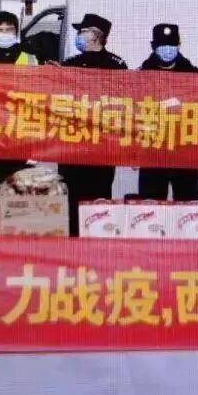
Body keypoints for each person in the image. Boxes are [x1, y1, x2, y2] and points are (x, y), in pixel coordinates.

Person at [59, 13, 128, 235]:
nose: (78, 36)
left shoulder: (116, 66)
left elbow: (124, 104)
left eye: (82, 32)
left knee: (99, 201)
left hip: (102, 147)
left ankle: (97, 241)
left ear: (95, 35)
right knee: (72, 201)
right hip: (72, 147)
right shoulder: (70, 65)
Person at [138, 23, 198, 201]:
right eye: (162, 45)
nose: (168, 49)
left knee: (187, 203)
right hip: (152, 152)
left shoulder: (194, 76)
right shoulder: (140, 77)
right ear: (153, 46)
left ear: (179, 45)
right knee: (151, 204)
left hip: (185, 152)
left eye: (172, 45)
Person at [0, 10, 38, 194]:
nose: (4, 34)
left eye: (9, 30)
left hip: (22, 139)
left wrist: (37, 146)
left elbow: (40, 104)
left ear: (16, 33)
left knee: (22, 198)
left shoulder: (31, 61)